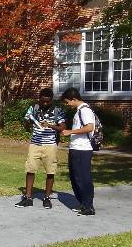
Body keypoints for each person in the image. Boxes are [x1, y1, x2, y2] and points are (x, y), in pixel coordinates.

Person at [15, 88, 66, 209]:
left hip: (50, 145)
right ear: (39, 99)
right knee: (30, 169)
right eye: (43, 101)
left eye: (48, 102)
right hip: (35, 144)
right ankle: (28, 197)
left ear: (51, 100)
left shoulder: (58, 110)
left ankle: (47, 197)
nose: (45, 104)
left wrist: (50, 125)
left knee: (50, 171)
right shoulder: (34, 108)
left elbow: (62, 128)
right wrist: (29, 121)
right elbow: (26, 127)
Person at [60, 87, 96, 216]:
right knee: (75, 177)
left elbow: (89, 127)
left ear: (74, 99)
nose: (67, 105)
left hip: (83, 149)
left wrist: (70, 131)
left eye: (67, 102)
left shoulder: (85, 110)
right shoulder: (79, 111)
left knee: (83, 177)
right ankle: (82, 203)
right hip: (75, 148)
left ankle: (89, 206)